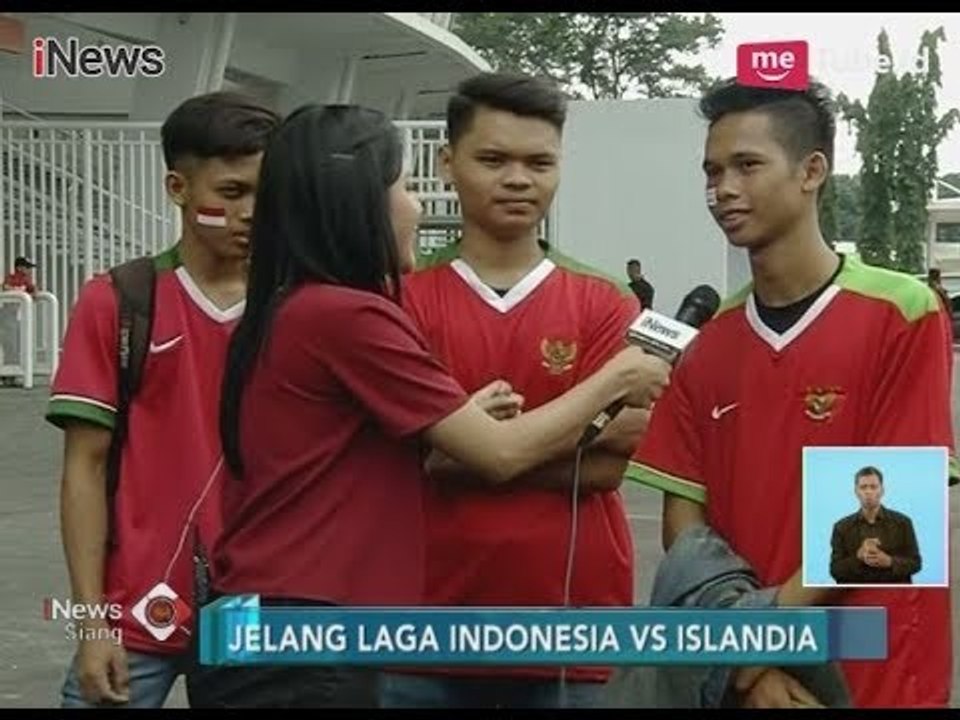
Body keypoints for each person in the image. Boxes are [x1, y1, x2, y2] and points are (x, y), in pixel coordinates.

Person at [184, 103, 670, 709]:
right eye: (403, 186)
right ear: (360, 201)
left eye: (539, 160)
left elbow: (611, 455)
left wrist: (448, 444)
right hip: (311, 632)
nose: (416, 205)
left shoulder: (298, 306)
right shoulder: (351, 315)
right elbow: (500, 454)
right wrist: (615, 377)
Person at [629, 77, 956, 708]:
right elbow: (685, 530)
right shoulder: (708, 341)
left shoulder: (901, 312)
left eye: (747, 166)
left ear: (812, 171)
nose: (722, 189)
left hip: (873, 669)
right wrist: (748, 670)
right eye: (712, 170)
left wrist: (757, 643)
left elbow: (889, 517)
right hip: (752, 678)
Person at [378, 73, 650, 709]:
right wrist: (560, 437)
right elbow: (384, 460)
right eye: (493, 159)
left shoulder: (606, 301)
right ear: (448, 163)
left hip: (574, 630)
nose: (519, 179)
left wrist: (458, 453)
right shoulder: (396, 301)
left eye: (539, 162)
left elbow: (616, 459)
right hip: (419, 628)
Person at [45, 91, 280, 708]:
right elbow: (84, 469)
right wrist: (90, 625)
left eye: (268, 193)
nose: (252, 212)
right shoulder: (119, 301)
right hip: (134, 614)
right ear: (178, 187)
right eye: (231, 194)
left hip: (257, 615)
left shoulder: (301, 309)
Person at [829, 466, 921, 585]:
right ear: (856, 491)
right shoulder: (841, 527)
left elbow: (916, 564)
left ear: (882, 490)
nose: (868, 492)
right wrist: (858, 556)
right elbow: (835, 570)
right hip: (857, 597)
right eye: (863, 487)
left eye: (873, 487)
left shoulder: (903, 523)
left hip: (894, 596)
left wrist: (890, 562)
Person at [1, 256, 37, 384]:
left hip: (18, 316)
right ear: (19, 267)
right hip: (7, 316)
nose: (29, 270)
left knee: (17, 344)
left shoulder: (26, 281)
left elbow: (34, 293)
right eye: (27, 267)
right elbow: (6, 288)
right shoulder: (11, 278)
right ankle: (8, 374)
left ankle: (13, 373)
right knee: (10, 345)